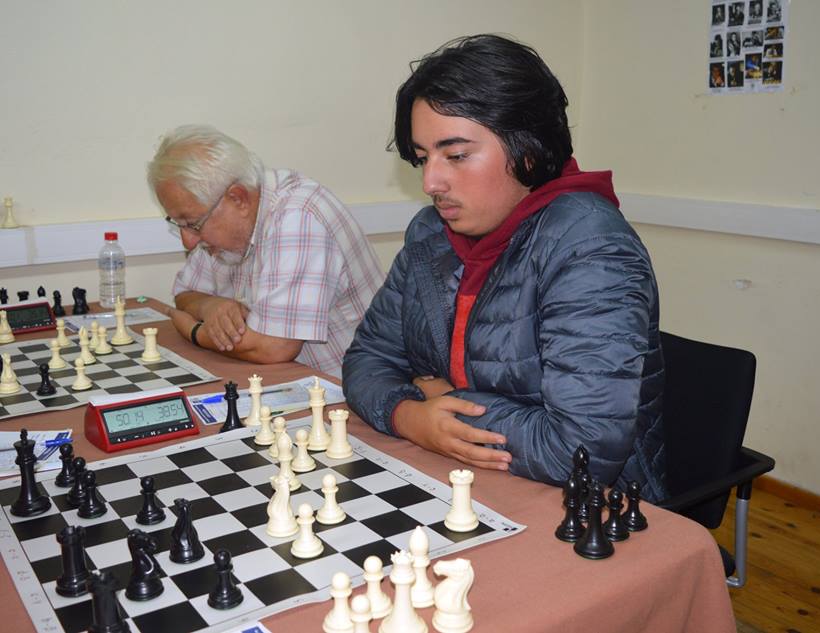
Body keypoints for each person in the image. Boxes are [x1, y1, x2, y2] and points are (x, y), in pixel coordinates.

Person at [342, 35, 667, 501]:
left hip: (588, 507)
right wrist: (409, 415)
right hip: (464, 477)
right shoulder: (430, 233)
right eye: (423, 158)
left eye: (456, 155)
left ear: (528, 149)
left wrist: (443, 402)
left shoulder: (591, 246)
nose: (431, 182)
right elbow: (366, 360)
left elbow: (582, 451)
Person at [147, 125, 383, 376]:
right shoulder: (217, 222)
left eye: (192, 224)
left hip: (348, 390)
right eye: (180, 225)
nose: (188, 242)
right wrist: (209, 306)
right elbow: (185, 293)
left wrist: (195, 332)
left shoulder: (298, 217)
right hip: (286, 380)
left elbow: (274, 347)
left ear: (238, 198)